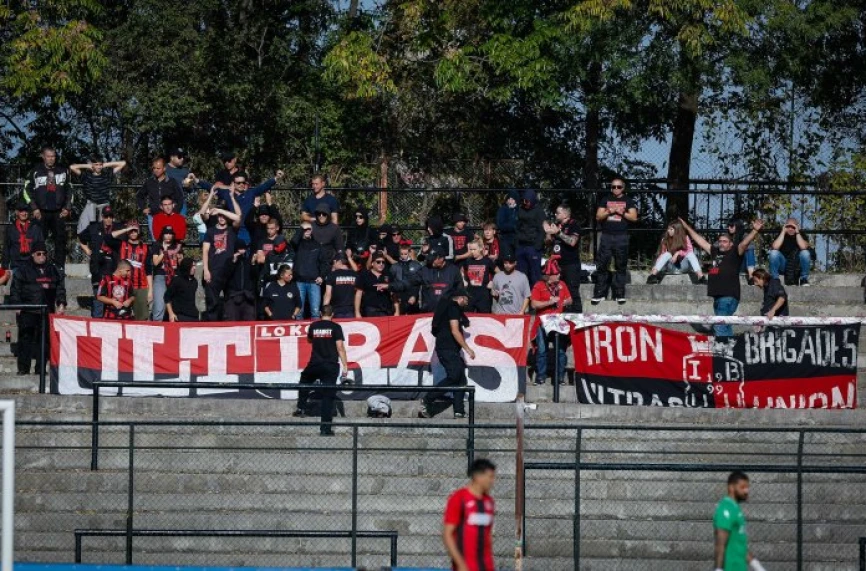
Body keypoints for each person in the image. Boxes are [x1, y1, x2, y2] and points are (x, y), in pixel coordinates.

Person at [680, 217, 763, 337]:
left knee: (719, 327)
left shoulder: (736, 252)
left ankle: (723, 352)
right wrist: (687, 228)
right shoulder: (715, 251)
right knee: (724, 326)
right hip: (717, 297)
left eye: (725, 241)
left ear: (731, 243)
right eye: (720, 241)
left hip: (728, 296)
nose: (721, 243)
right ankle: (731, 350)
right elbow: (700, 241)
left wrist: (755, 231)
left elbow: (744, 243)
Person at [8, 242, 66, 375]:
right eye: (39, 254)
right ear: (33, 254)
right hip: (28, 309)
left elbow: (60, 287)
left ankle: (40, 369)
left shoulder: (52, 269)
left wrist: (61, 302)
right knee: (25, 340)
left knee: (44, 341)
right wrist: (17, 305)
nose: (42, 256)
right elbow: (15, 288)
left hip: (46, 310)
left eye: (44, 254)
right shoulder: (23, 269)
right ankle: (23, 368)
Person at [293, 305, 350, 436]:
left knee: (304, 380)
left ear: (320, 313)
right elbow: (340, 347)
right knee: (328, 397)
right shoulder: (336, 327)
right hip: (330, 365)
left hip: (315, 363)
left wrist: (319, 338)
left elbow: (309, 340)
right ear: (332, 314)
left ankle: (301, 407)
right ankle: (325, 429)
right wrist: (345, 366)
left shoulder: (314, 326)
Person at [419, 287, 475, 419]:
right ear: (460, 298)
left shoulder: (448, 307)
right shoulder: (453, 307)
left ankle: (459, 412)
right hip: (447, 348)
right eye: (466, 300)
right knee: (455, 375)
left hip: (449, 348)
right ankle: (427, 399)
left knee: (461, 380)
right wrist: (467, 348)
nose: (467, 303)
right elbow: (455, 330)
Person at [23, 146, 73, 272]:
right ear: (43, 156)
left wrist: (67, 207)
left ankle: (59, 268)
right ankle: (36, 268)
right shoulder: (35, 171)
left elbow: (70, 190)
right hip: (41, 212)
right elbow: (26, 190)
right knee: (39, 241)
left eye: (53, 156)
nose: (51, 159)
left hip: (58, 212)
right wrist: (34, 208)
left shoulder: (63, 171)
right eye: (49, 156)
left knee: (60, 241)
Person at [443, 459, 497, 571]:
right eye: (490, 477)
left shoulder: (489, 502)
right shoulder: (459, 498)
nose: (493, 481)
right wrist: (460, 564)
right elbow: (447, 534)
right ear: (478, 477)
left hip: (486, 566)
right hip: (466, 566)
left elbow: (488, 534)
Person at [591, 178, 638, 305]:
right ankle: (600, 293)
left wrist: (621, 212)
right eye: (613, 187)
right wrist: (608, 212)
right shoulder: (605, 200)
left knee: (620, 265)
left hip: (621, 237)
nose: (615, 189)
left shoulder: (628, 201)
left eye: (618, 187)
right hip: (606, 236)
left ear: (623, 188)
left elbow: (634, 217)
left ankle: (619, 294)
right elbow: (598, 216)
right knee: (602, 264)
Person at [530, 258, 573, 386]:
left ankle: (560, 378)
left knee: (560, 351)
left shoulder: (562, 285)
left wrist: (566, 302)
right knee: (542, 351)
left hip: (558, 322)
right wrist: (549, 302)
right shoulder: (539, 285)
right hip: (542, 322)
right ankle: (540, 377)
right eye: (556, 273)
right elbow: (534, 304)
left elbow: (570, 299)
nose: (559, 275)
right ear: (549, 275)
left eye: (559, 273)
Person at [714, 471, 766, 571]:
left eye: (747, 487)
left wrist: (758, 567)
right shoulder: (726, 509)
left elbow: (740, 548)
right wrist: (718, 569)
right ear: (731, 487)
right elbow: (720, 544)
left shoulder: (735, 508)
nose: (746, 491)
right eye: (742, 487)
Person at [391, 248, 464, 313]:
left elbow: (460, 289)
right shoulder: (425, 269)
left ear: (441, 259)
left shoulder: (453, 270)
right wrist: (390, 286)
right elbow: (411, 282)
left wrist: (461, 299)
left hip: (447, 312)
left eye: (433, 259)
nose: (430, 261)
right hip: (428, 311)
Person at [79, 206, 121, 318]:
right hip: (98, 268)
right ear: (102, 217)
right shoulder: (93, 228)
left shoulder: (118, 228)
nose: (108, 219)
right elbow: (81, 238)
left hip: (113, 268)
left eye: (110, 217)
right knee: (99, 299)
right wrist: (87, 250)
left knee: (114, 298)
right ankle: (97, 323)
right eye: (106, 216)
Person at [202, 205, 241, 321]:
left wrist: (220, 210)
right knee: (212, 302)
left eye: (224, 216)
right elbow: (205, 250)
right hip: (214, 270)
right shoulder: (210, 231)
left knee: (231, 303)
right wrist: (206, 270)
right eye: (219, 216)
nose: (222, 218)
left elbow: (238, 218)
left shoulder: (232, 229)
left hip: (229, 271)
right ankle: (211, 328)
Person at [70, 155, 126, 236]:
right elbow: (72, 167)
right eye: (96, 165)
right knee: (82, 226)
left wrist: (105, 165)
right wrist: (88, 166)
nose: (99, 167)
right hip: (91, 203)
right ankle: (86, 245)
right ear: (92, 165)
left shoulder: (107, 175)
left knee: (106, 228)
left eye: (100, 165)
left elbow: (123, 163)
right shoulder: (86, 176)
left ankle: (104, 246)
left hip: (104, 204)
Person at [544, 204, 583, 312]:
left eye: (558, 212)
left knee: (572, 291)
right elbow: (548, 243)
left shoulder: (573, 224)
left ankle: (577, 316)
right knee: (558, 290)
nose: (555, 214)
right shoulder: (556, 225)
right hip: (557, 264)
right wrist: (548, 233)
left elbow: (572, 242)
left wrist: (558, 233)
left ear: (565, 214)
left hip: (571, 264)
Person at [111, 220, 152, 321]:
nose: (133, 233)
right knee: (121, 316)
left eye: (135, 230)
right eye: (131, 231)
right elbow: (109, 237)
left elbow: (148, 270)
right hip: (123, 285)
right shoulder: (121, 245)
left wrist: (150, 290)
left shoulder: (146, 248)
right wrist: (126, 229)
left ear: (139, 231)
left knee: (141, 318)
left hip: (141, 286)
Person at [136, 157, 184, 239]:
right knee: (156, 241)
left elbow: (180, 198)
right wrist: (143, 208)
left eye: (158, 168)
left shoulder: (172, 182)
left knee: (170, 240)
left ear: (164, 168)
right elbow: (139, 196)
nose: (156, 170)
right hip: (153, 217)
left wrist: (175, 212)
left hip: (169, 217)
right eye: (154, 168)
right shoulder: (149, 182)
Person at [290, 222, 330, 320]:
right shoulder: (297, 244)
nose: (307, 231)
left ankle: (315, 333)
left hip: (314, 283)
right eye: (305, 229)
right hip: (299, 282)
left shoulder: (317, 245)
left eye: (309, 229)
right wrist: (301, 228)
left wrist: (322, 276)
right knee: (299, 312)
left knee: (315, 312)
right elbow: (293, 242)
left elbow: (324, 263)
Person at [150, 227, 184, 322]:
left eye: (170, 234)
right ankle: (157, 325)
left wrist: (180, 257)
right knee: (159, 303)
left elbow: (181, 263)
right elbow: (155, 262)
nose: (168, 236)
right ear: (163, 234)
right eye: (166, 233)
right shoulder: (157, 245)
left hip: (174, 275)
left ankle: (174, 324)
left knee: (175, 303)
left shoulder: (177, 245)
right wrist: (164, 251)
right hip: (160, 275)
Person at [769, 217, 811, 286]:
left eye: (793, 227)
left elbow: (803, 247)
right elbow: (775, 247)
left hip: (797, 265)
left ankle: (804, 279)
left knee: (805, 253)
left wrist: (797, 233)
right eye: (788, 226)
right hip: (784, 265)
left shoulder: (801, 234)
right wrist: (783, 232)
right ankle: (775, 279)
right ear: (785, 226)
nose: (791, 229)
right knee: (773, 253)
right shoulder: (781, 234)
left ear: (797, 227)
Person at [4, 201, 44, 274]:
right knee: (17, 284)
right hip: (16, 265)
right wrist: (4, 267)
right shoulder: (10, 229)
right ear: (17, 212)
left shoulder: (35, 228)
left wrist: (42, 265)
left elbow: (41, 247)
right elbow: (6, 248)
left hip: (32, 265)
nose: (24, 213)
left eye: (26, 211)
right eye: (21, 211)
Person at [515, 190, 546, 286]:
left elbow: (542, 230)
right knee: (520, 274)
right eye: (523, 201)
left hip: (533, 247)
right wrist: (517, 244)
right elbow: (516, 227)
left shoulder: (539, 211)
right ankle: (522, 298)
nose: (525, 203)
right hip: (521, 246)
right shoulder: (520, 210)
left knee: (535, 275)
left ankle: (535, 297)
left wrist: (537, 246)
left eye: (527, 201)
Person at [355, 251, 396, 317]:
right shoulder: (364, 275)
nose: (381, 264)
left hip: (386, 310)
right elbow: (358, 294)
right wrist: (357, 312)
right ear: (372, 263)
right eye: (378, 262)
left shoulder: (388, 275)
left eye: (383, 262)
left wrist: (397, 310)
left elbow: (393, 294)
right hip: (369, 311)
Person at [224, 241, 257, 321]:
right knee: (232, 322)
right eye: (239, 249)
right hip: (233, 296)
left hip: (247, 297)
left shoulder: (249, 261)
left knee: (249, 322)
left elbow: (255, 276)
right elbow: (226, 276)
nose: (241, 251)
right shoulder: (229, 261)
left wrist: (253, 264)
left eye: (243, 249)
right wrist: (233, 262)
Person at [389, 242, 422, 315]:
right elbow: (391, 283)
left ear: (409, 253)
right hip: (399, 297)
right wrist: (395, 297)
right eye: (402, 254)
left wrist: (414, 296)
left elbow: (418, 283)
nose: (403, 256)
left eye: (405, 254)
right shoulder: (395, 267)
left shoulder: (416, 265)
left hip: (412, 296)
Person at [463, 239, 495, 313]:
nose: (472, 251)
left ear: (481, 249)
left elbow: (498, 272)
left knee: (484, 318)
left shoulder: (487, 261)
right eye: (471, 249)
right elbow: (462, 270)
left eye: (474, 249)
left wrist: (492, 281)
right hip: (470, 294)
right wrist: (463, 279)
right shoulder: (468, 261)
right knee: (469, 317)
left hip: (483, 295)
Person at [165, 257, 200, 322]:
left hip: (193, 316)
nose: (194, 268)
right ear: (186, 266)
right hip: (179, 316)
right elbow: (167, 297)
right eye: (192, 266)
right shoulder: (177, 280)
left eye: (195, 266)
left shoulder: (195, 282)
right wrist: (171, 314)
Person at [310, 202, 343, 266]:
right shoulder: (311, 226)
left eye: (324, 214)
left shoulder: (334, 228)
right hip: (312, 261)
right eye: (319, 214)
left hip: (329, 261)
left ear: (328, 215)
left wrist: (339, 261)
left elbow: (340, 248)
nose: (321, 216)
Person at [165, 148, 191, 216]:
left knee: (179, 226)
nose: (182, 158)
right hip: (165, 205)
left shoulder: (185, 171)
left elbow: (190, 189)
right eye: (179, 156)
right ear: (171, 157)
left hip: (181, 205)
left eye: (183, 156)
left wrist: (188, 185)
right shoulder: (163, 169)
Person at [496, 190, 520, 258]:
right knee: (507, 258)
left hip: (518, 239)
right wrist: (513, 227)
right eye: (508, 199)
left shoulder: (520, 210)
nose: (510, 201)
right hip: (506, 238)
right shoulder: (502, 210)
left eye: (512, 199)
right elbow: (500, 224)